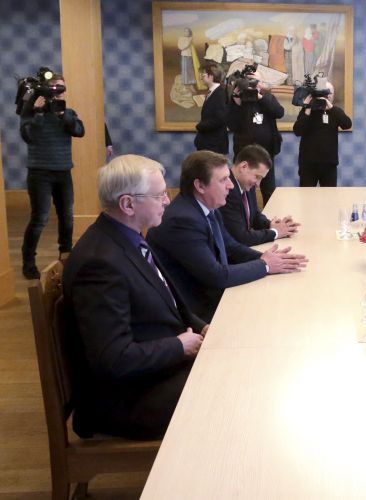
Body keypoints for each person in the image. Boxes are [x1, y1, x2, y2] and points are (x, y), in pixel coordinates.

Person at [63, 155, 207, 439]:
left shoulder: (129, 236)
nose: (167, 201)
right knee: (229, 393)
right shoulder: (99, 262)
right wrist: (179, 346)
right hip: (128, 398)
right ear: (128, 204)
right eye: (159, 195)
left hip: (155, 372)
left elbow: (171, 302)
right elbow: (113, 359)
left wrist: (202, 327)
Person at [147, 151, 307, 322]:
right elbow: (216, 276)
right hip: (196, 314)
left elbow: (231, 247)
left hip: (212, 297)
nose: (231, 185)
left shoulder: (208, 208)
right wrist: (265, 265)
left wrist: (267, 258)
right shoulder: (182, 220)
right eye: (223, 180)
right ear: (200, 186)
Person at [19, 72, 85, 279]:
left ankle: (66, 256)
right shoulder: (30, 112)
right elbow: (28, 136)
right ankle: (28, 262)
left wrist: (63, 114)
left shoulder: (68, 112)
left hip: (63, 172)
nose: (57, 92)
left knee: (67, 217)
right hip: (39, 173)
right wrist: (38, 112)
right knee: (40, 218)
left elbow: (79, 131)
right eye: (53, 88)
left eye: (61, 88)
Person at [221, 144, 301, 246]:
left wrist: (271, 225)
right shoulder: (227, 191)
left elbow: (255, 214)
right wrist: (275, 232)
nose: (258, 184)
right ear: (243, 167)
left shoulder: (246, 184)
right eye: (257, 177)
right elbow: (241, 237)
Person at [226, 71, 284, 205]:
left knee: (268, 188)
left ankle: (270, 215)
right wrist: (236, 102)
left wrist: (259, 96)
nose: (251, 84)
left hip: (266, 151)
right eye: (249, 81)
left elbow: (279, 112)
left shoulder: (267, 97)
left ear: (261, 83)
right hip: (244, 152)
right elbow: (232, 125)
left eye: (255, 81)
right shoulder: (239, 100)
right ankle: (247, 215)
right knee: (244, 188)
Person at [293, 82, 352, 186]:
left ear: (333, 95)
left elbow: (347, 124)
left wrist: (331, 107)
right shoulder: (307, 110)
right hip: (308, 163)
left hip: (329, 163)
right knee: (306, 194)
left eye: (329, 93)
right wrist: (307, 108)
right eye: (324, 93)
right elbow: (297, 131)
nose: (327, 96)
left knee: (329, 195)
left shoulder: (335, 111)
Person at [194, 62, 228, 154]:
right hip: (209, 144)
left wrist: (199, 126)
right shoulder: (213, 92)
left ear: (211, 75)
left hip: (214, 145)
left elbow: (219, 119)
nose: (201, 77)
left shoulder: (220, 93)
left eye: (203, 74)